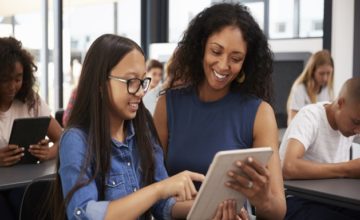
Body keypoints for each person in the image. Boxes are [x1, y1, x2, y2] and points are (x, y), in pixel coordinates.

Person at [53, 34, 244, 220]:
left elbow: (163, 206)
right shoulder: (76, 140)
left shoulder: (142, 131)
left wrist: (212, 209)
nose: (140, 92)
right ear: (100, 84)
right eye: (131, 82)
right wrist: (159, 190)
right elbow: (83, 214)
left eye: (143, 81)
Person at [153, 3, 286, 219]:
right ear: (201, 47)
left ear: (246, 62)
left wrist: (263, 200)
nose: (224, 66)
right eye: (216, 51)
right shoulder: (168, 105)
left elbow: (278, 210)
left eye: (236, 59)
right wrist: (207, 210)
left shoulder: (260, 113)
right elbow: (150, 191)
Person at [280, 77, 360, 219]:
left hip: (332, 197)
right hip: (294, 198)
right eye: (356, 122)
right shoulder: (310, 117)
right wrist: (347, 169)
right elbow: (289, 167)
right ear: (341, 103)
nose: (358, 131)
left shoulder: (351, 123)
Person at [0, 36, 62, 219]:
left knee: (36, 202)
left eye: (18, 78)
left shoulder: (30, 101)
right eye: (4, 80)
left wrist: (49, 153)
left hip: (25, 182)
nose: (12, 86)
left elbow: (64, 138)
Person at [287, 49, 334, 125]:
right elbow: (292, 121)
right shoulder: (300, 88)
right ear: (312, 71)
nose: (325, 78)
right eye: (321, 74)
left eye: (328, 73)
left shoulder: (327, 89)